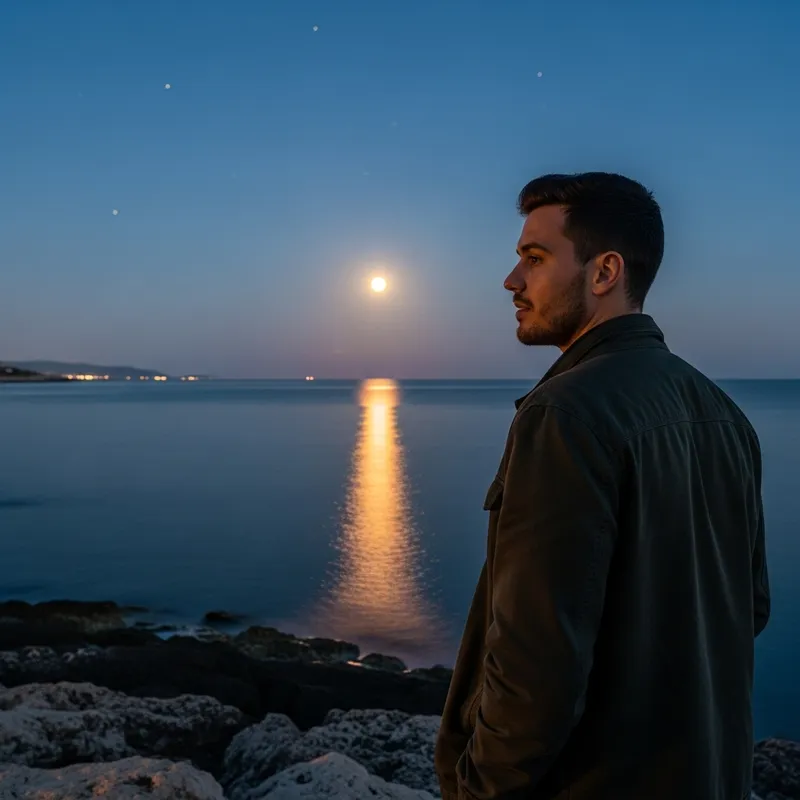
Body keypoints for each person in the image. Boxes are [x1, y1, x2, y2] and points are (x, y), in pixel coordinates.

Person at [434, 172, 771, 800]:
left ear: (604, 272)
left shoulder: (564, 414)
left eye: (534, 259)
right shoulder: (726, 414)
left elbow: (538, 665)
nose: (511, 282)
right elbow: (747, 608)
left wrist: (478, 787)